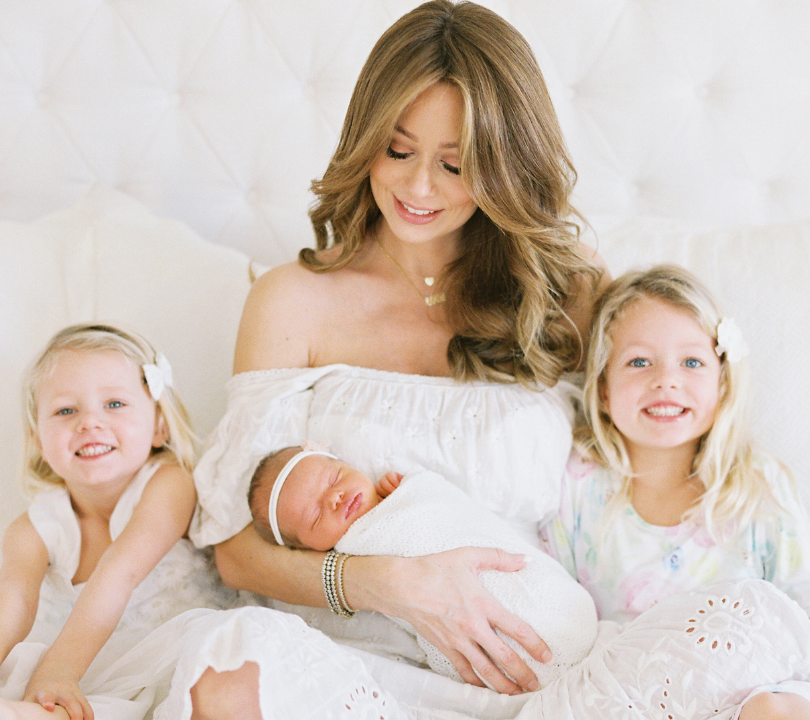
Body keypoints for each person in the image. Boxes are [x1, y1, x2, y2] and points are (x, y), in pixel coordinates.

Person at [167, 1, 608, 718]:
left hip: (527, 662)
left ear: (505, 164)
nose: (418, 188)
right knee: (228, 671)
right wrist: (386, 583)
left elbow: (659, 468)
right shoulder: (292, 302)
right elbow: (234, 551)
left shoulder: (567, 290)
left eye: (456, 164)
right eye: (397, 150)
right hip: (341, 659)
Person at [540, 265, 810, 720]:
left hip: (758, 686)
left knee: (774, 708)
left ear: (722, 384)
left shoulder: (756, 484)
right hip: (648, 695)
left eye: (692, 362)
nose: (666, 379)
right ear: (602, 388)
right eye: (639, 362)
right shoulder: (577, 483)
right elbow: (560, 614)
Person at [0, 323, 226, 720]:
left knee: (129, 700)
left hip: (160, 654)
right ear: (39, 441)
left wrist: (61, 671)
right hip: (80, 666)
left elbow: (121, 571)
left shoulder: (169, 484)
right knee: (41, 689)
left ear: (160, 424)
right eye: (66, 410)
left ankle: (2, 711)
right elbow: (12, 602)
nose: (89, 422)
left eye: (114, 404)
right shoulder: (34, 528)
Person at [246, 445, 599, 688]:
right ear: (307, 549)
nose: (335, 498)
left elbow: (455, 514)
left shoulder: (405, 490)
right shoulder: (353, 559)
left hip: (533, 582)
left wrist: (409, 492)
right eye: (315, 514)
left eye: (335, 477)